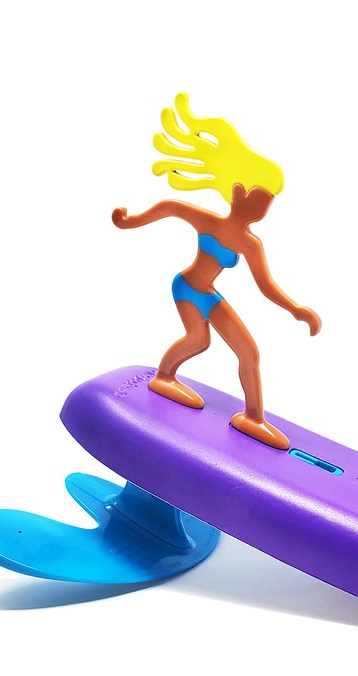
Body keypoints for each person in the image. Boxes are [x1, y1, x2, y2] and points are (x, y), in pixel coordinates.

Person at [113, 94, 320, 449]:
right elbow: (171, 207)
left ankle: (253, 417)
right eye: (260, 199)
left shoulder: (249, 244)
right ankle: (164, 377)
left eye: (268, 202)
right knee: (199, 340)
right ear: (238, 193)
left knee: (248, 352)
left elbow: (265, 285)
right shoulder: (210, 222)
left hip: (207, 294)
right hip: (186, 287)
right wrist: (131, 221)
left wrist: (295, 309)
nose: (264, 208)